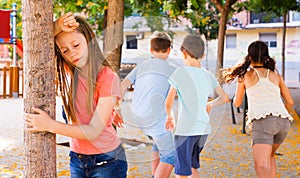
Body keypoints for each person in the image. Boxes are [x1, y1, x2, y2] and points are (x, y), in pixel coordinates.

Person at [24, 12, 128, 178]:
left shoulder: (107, 76)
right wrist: (57, 26)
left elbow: (94, 131)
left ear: (90, 39)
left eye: (76, 45)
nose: (71, 53)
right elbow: (37, 45)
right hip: (77, 160)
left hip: (108, 161)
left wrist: (49, 125)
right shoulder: (69, 72)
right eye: (65, 50)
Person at [223, 40, 294, 178]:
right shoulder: (276, 75)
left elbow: (237, 103)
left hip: (263, 121)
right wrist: (278, 115)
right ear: (266, 57)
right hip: (283, 123)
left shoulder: (245, 75)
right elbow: (290, 102)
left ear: (249, 57)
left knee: (260, 165)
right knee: (270, 157)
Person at [165, 34, 228, 178]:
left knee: (181, 172)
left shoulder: (180, 73)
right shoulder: (207, 74)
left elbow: (168, 102)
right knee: (192, 167)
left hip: (185, 130)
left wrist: (170, 118)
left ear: (184, 52)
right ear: (203, 55)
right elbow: (224, 97)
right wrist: (210, 104)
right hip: (202, 130)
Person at [120, 31, 178, 178]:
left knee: (159, 144)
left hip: (138, 118)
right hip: (155, 120)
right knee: (171, 156)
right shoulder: (173, 70)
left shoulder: (141, 66)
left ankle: (155, 174)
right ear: (169, 50)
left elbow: (122, 85)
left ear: (151, 50)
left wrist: (116, 108)